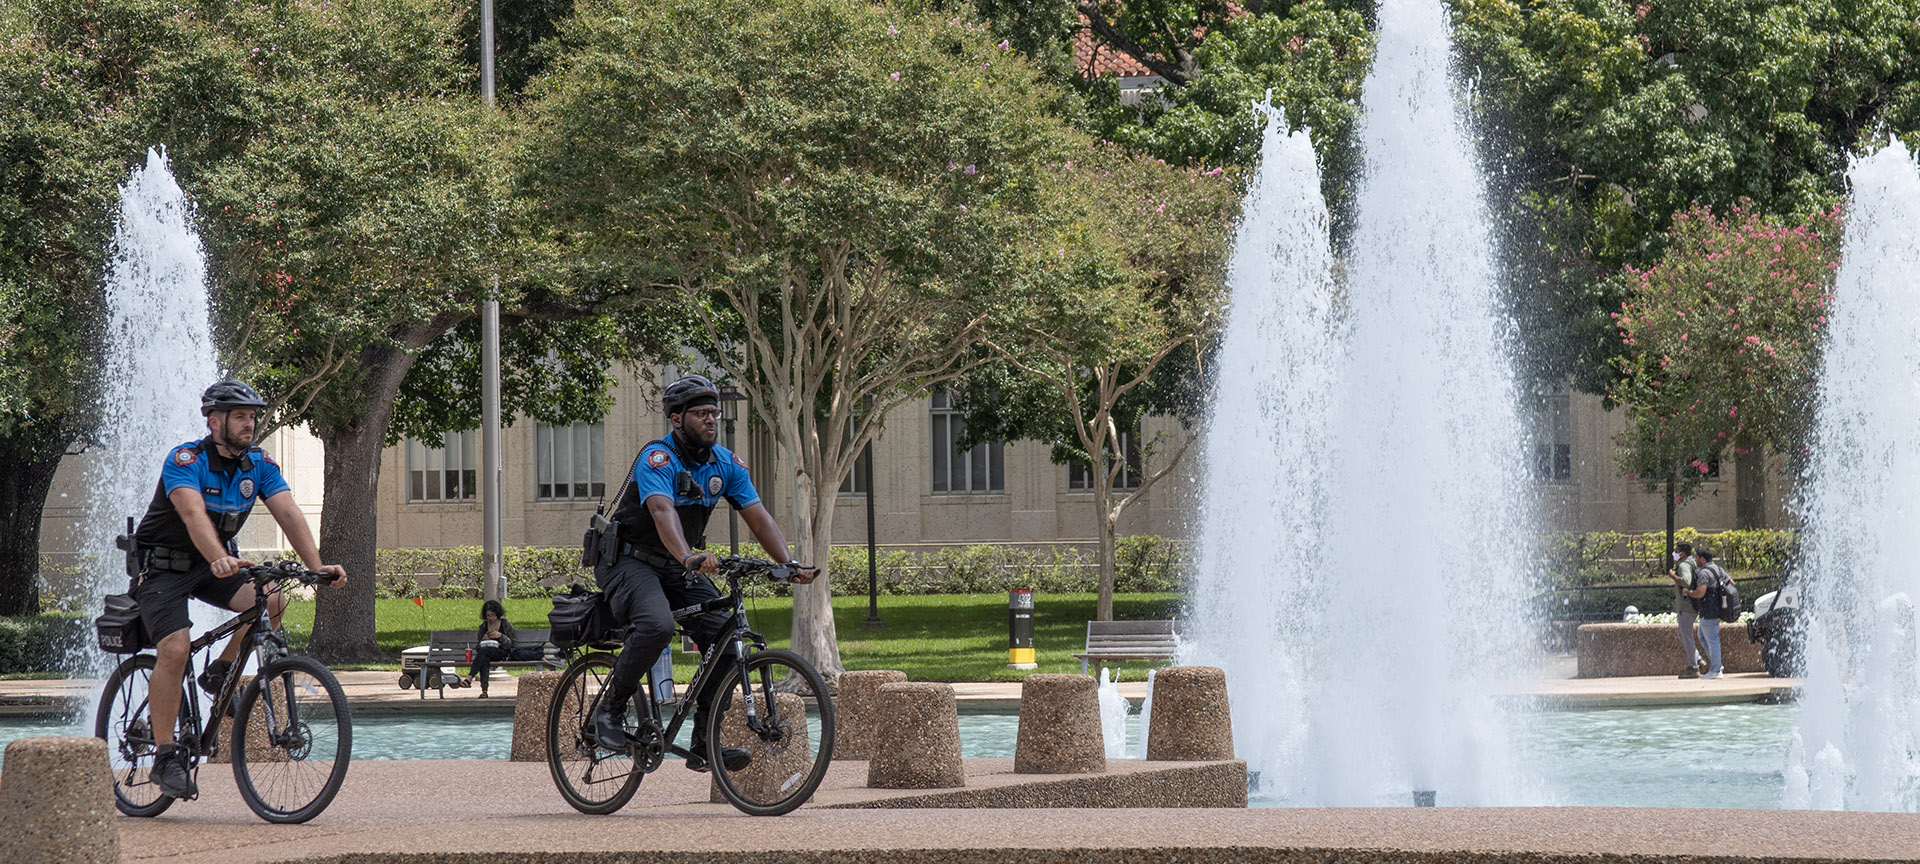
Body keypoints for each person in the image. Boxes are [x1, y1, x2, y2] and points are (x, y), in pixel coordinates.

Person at [131, 380, 348, 800]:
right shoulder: (185, 459)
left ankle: (220, 672)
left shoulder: (258, 464)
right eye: (241, 416)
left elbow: (288, 511)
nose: (250, 423)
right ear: (215, 421)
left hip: (216, 565)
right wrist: (217, 556)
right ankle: (164, 757)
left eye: (253, 416)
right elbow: (193, 515)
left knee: (273, 599)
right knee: (174, 650)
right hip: (164, 568)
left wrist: (317, 567)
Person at [592, 374, 815, 771]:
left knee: (727, 641)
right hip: (628, 561)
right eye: (701, 413)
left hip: (677, 567)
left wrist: (788, 563)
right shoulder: (658, 458)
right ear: (676, 419)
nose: (711, 419)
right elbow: (662, 512)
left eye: (714, 412)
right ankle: (608, 710)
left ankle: (703, 742)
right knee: (657, 626)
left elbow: (759, 518)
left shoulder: (726, 464)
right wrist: (687, 557)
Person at [465, 599, 538, 697]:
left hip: (503, 652)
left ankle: (470, 678)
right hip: (487, 652)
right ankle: (484, 691)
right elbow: (478, 648)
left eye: (493, 615)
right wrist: (483, 640)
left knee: (483, 653)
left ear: (497, 614)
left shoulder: (505, 624)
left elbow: (512, 645)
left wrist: (500, 636)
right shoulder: (483, 626)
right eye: (488, 616)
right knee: (484, 658)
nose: (491, 618)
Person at [1681, 546, 1727, 679]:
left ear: (1701, 558)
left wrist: (1688, 592)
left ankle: (1716, 669)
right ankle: (1716, 664)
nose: (1695, 560)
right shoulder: (1718, 569)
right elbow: (1731, 582)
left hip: (1709, 611)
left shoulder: (1704, 573)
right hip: (1717, 609)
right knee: (1702, 635)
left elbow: (1700, 592)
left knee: (1712, 639)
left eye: (1696, 557)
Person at [1666, 541, 1704, 679]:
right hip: (1691, 606)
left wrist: (1673, 576)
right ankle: (1698, 659)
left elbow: (1686, 582)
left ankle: (1693, 667)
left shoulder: (1683, 565)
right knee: (1682, 634)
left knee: (1686, 636)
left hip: (1686, 606)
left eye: (1676, 551)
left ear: (1682, 553)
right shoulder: (1692, 562)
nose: (1674, 553)